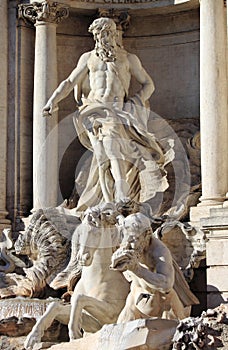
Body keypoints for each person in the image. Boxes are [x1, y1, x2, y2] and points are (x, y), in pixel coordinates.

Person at [43, 17, 174, 211]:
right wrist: (52, 101)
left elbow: (149, 84)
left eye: (105, 33)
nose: (101, 38)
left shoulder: (128, 58)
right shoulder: (88, 58)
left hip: (115, 111)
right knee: (102, 157)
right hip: (92, 111)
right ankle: (108, 202)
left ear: (113, 34)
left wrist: (134, 103)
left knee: (112, 149)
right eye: (98, 34)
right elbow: (69, 82)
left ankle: (121, 194)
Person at [111, 213, 199, 321]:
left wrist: (136, 269)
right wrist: (116, 261)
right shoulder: (131, 245)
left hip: (165, 306)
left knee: (174, 334)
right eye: (126, 239)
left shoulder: (159, 251)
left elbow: (166, 285)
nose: (129, 245)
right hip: (135, 300)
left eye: (134, 239)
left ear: (147, 233)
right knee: (117, 332)